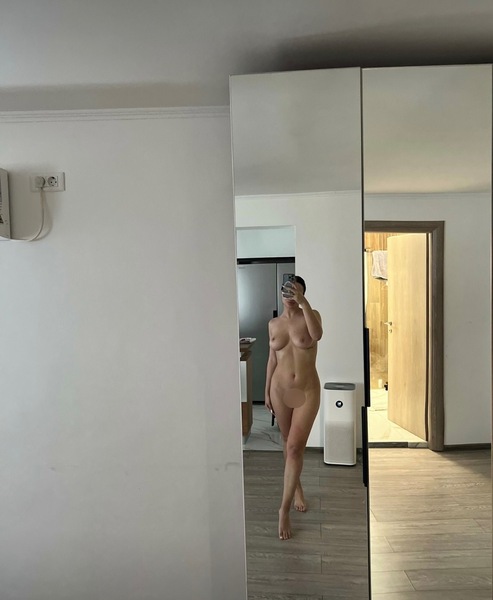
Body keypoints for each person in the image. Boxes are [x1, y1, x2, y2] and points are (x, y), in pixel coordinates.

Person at [265, 275, 323, 540]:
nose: (289, 294)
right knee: (288, 442)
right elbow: (272, 359)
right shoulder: (273, 324)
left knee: (295, 447)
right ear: (281, 292)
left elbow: (317, 335)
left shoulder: (311, 315)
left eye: (295, 291)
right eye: (286, 290)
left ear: (301, 293)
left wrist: (304, 302)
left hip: (306, 390)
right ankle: (296, 488)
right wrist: (266, 389)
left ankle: (283, 509)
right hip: (281, 390)